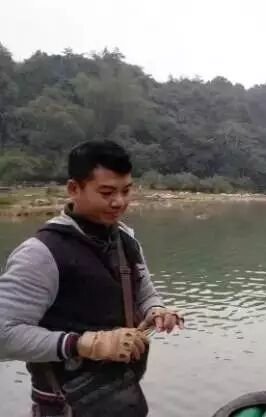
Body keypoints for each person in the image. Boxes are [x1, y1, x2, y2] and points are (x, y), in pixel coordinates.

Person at [0, 140, 183, 416]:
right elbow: (4, 335)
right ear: (74, 189)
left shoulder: (125, 240)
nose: (119, 202)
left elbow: (145, 292)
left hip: (122, 398)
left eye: (126, 191)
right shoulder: (41, 253)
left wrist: (156, 311)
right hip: (66, 407)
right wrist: (84, 344)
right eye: (107, 192)